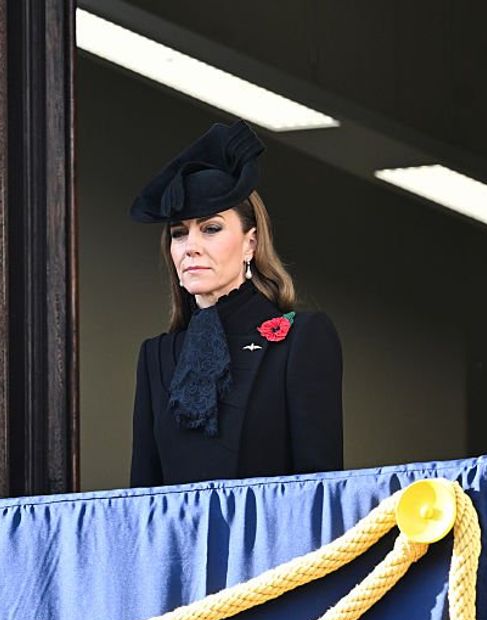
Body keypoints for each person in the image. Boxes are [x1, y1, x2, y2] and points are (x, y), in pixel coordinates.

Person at [128, 121, 343, 487]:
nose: (190, 246)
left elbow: (320, 492)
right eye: (179, 233)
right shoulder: (156, 356)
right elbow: (144, 499)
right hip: (181, 546)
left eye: (211, 228)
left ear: (251, 243)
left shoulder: (301, 338)